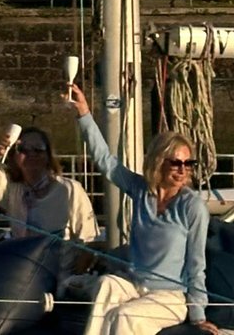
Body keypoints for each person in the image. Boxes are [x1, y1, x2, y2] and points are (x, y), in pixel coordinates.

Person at [69, 84, 217, 335]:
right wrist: (84, 114)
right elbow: (106, 161)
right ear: (159, 162)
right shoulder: (141, 190)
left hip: (170, 297)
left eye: (188, 164)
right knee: (106, 284)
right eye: (176, 163)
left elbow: (196, 263)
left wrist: (198, 315)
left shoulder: (192, 206)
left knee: (124, 316)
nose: (183, 170)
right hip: (135, 285)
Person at [0, 126, 99, 292]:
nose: (31, 154)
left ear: (48, 155)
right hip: (21, 278)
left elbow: (89, 244)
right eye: (23, 149)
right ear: (14, 155)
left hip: (61, 281)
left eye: (38, 149)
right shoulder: (12, 189)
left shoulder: (70, 190)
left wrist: (70, 284)